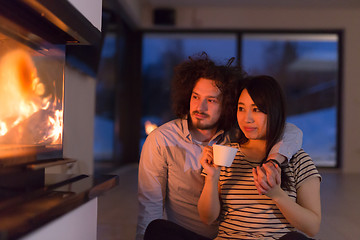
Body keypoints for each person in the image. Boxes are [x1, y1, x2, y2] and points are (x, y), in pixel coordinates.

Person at [136, 53, 303, 240]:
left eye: (212, 100)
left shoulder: (237, 134)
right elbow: (149, 207)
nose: (200, 107)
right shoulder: (162, 139)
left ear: (227, 104)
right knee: (156, 229)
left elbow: (291, 131)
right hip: (188, 236)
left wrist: (273, 162)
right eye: (196, 97)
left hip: (234, 235)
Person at [197, 75, 321, 239]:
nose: (246, 119)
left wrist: (277, 195)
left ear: (274, 112)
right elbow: (207, 218)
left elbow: (312, 227)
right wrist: (212, 178)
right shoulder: (225, 154)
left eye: (256, 110)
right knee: (159, 228)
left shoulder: (298, 160)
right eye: (241, 109)